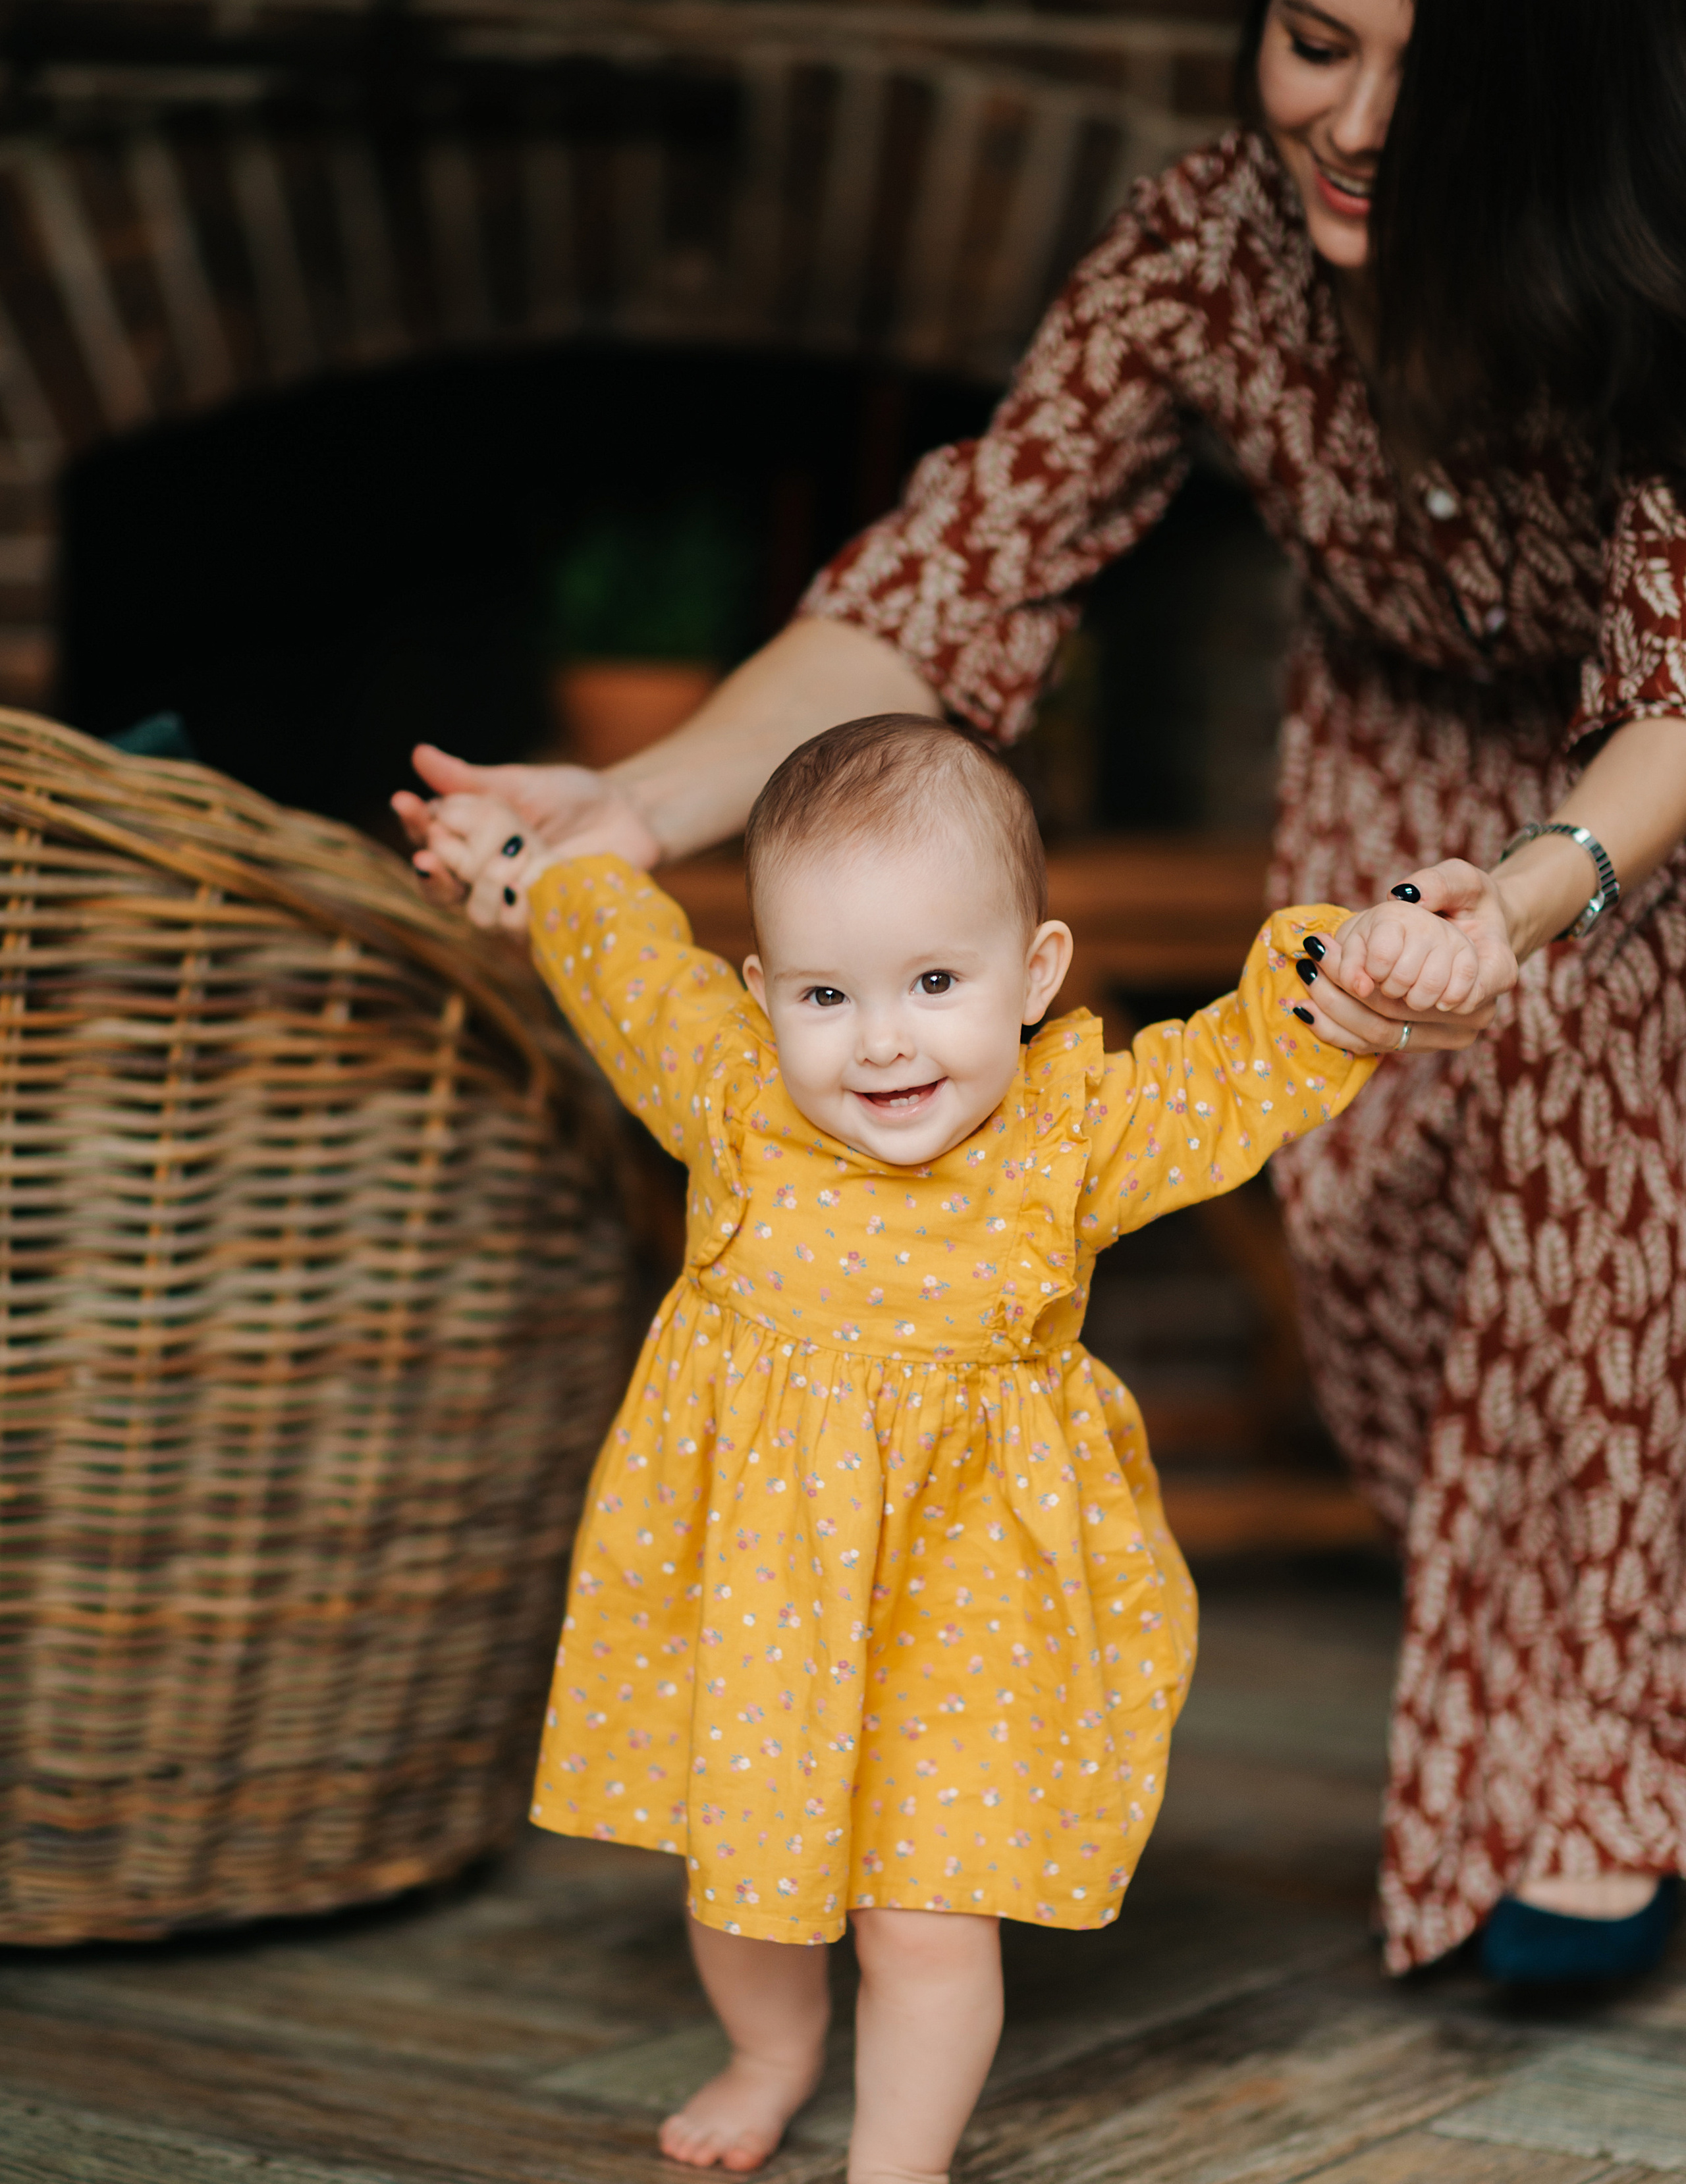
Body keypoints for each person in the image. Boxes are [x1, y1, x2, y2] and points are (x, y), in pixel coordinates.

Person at [400, 0, 1686, 1984]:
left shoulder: (1651, 248)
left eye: (1420, 78)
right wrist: (631, 809)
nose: (1347, 122)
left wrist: (1525, 906)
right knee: (1387, 1252)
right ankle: (1566, 1735)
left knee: (1612, 1260)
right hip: (1393, 755)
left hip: (1628, 794)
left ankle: (1592, 1793)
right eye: (1311, 40)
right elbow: (950, 582)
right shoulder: (1204, 247)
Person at [421, 713, 1488, 2184]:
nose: (883, 1044)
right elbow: (613, 956)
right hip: (768, 1591)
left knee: (926, 1912)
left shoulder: (1072, 1135)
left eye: (935, 983)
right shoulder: (728, 1094)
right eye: (827, 996)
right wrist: (536, 868)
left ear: (1037, 972)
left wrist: (1350, 979)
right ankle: (770, 2053)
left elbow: (1235, 1066)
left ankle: (902, 2169)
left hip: (967, 1603)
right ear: (761, 995)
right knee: (750, 1868)